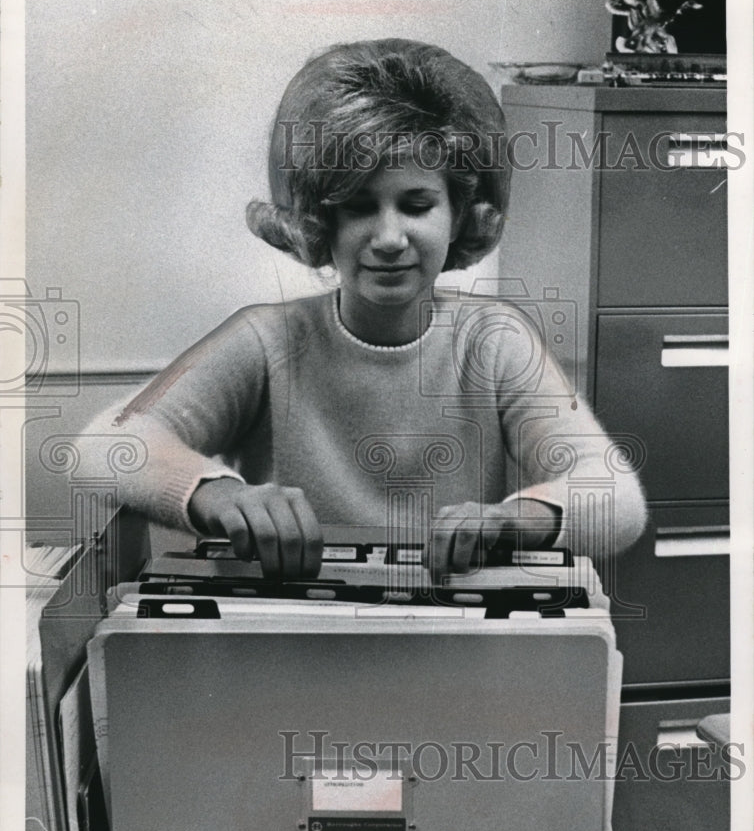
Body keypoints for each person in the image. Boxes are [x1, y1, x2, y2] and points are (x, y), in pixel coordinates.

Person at [78, 38, 647, 580]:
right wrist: (218, 495)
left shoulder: (494, 339)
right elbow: (102, 445)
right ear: (319, 222)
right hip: (286, 637)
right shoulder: (266, 339)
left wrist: (510, 521)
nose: (390, 237)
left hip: (446, 635)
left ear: (461, 215)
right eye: (358, 207)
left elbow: (618, 499)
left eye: (417, 204)